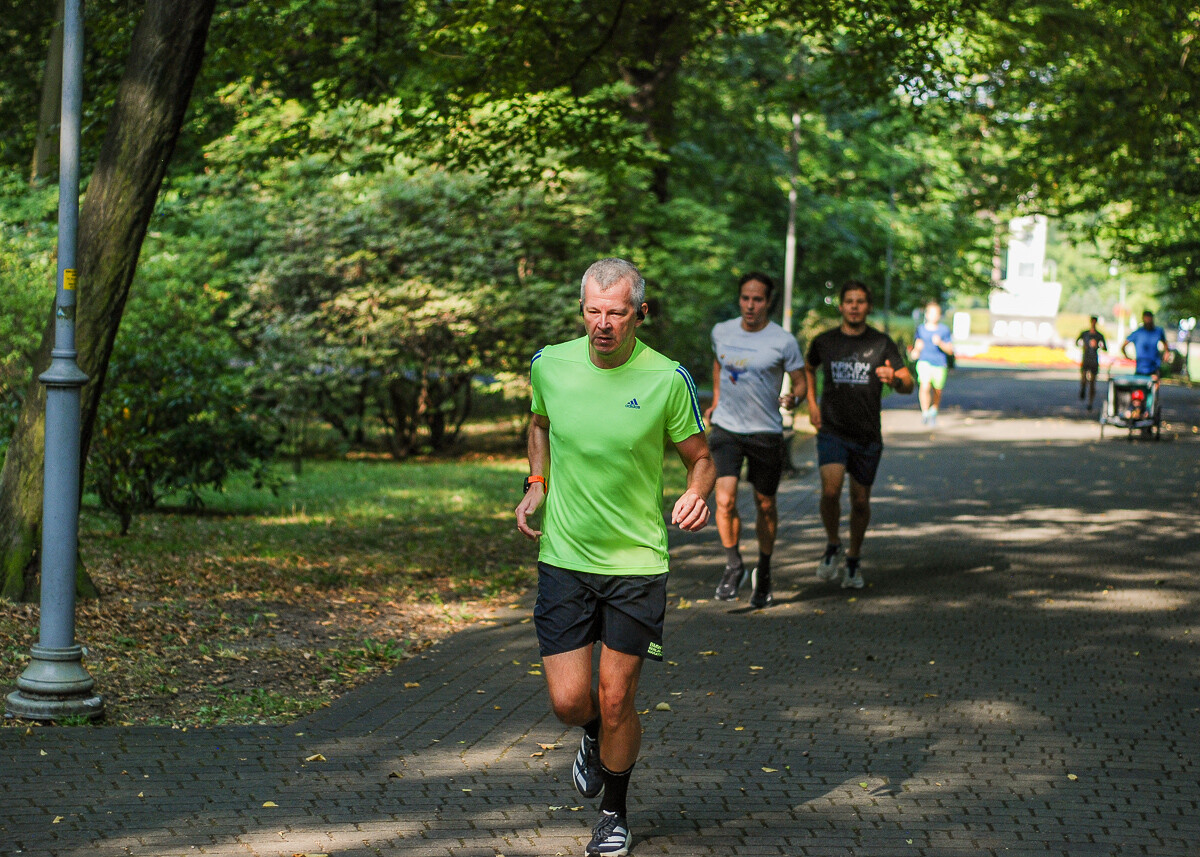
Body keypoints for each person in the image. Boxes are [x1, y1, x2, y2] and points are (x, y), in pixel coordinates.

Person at [515, 258, 715, 857]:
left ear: (640, 314)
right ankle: (594, 739)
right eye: (593, 311)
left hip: (635, 562)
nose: (603, 324)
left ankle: (614, 812)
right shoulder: (550, 363)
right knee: (570, 703)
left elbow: (701, 458)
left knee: (616, 695)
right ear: (583, 310)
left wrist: (697, 493)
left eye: (617, 313)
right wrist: (536, 481)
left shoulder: (666, 379)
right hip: (566, 556)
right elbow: (540, 424)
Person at [705, 272, 807, 608]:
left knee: (766, 504)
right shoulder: (722, 332)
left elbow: (800, 380)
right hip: (726, 429)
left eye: (758, 299)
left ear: (768, 302)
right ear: (740, 299)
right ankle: (733, 564)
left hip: (765, 431)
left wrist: (795, 398)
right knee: (725, 501)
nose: (751, 305)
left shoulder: (783, 341)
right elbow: (719, 366)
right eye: (746, 298)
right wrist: (717, 400)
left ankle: (763, 569)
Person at [804, 280, 913, 590]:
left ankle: (853, 558)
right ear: (840, 306)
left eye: (860, 301)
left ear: (868, 307)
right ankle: (833, 543)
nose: (854, 306)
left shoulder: (882, 344)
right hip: (832, 429)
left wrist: (893, 379)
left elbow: (908, 384)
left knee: (861, 501)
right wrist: (812, 404)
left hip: (867, 434)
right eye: (849, 300)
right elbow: (808, 368)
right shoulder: (824, 342)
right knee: (830, 491)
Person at [908, 301, 953, 426]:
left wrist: (940, 343)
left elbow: (950, 350)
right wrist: (915, 352)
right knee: (924, 386)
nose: (934, 316)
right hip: (924, 362)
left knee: (937, 390)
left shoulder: (944, 330)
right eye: (931, 313)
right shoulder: (921, 329)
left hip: (939, 363)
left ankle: (934, 410)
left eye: (936, 313)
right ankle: (925, 411)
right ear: (927, 314)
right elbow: (918, 345)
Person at [1123, 310, 1169, 378]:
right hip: (1141, 367)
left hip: (1154, 366)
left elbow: (1165, 343)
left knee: (1154, 383)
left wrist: (1167, 352)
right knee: (1139, 386)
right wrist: (1127, 356)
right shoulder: (1138, 333)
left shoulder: (1158, 331)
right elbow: (1124, 345)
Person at [1075, 316, 1108, 409]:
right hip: (1086, 358)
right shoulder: (1085, 333)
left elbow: (1105, 348)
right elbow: (1077, 342)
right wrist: (1083, 345)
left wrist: (1098, 346)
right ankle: (1083, 388)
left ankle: (1090, 402)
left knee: (1093, 382)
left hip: (1094, 359)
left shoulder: (1099, 335)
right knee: (1084, 378)